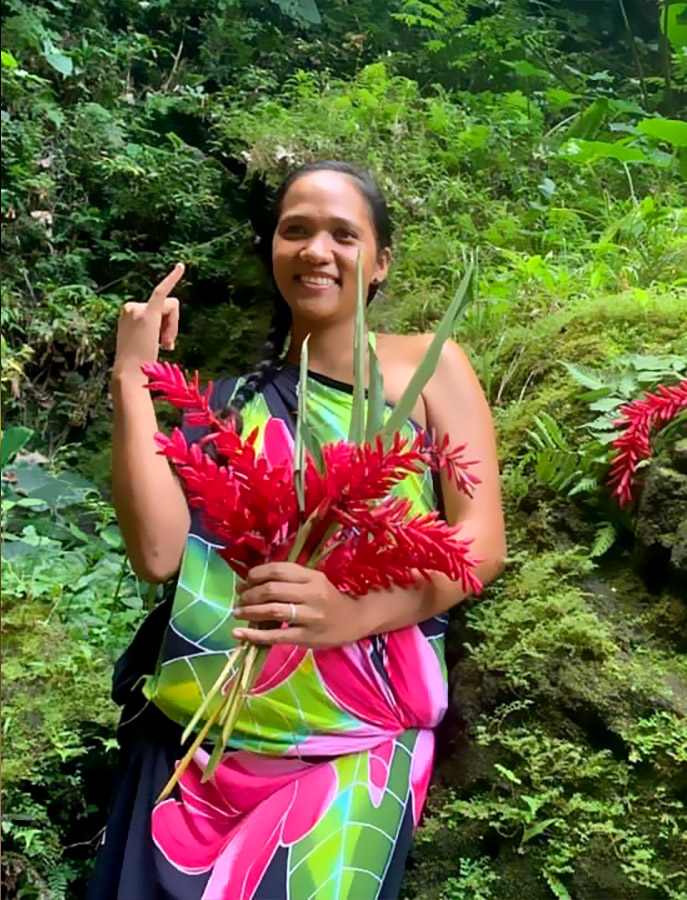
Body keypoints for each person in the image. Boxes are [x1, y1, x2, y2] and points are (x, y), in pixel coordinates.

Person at [88, 160, 506, 899]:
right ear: (273, 249)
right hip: (194, 746)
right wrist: (132, 377)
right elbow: (158, 554)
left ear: (379, 262)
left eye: (343, 234)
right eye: (296, 230)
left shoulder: (429, 369)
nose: (317, 250)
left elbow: (481, 541)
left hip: (352, 751)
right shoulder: (221, 406)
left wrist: (351, 614)